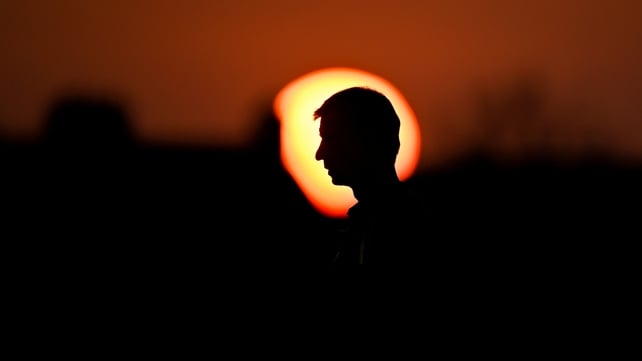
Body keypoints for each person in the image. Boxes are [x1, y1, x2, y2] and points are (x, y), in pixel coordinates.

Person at [313, 86, 427, 269]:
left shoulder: (399, 228)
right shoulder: (366, 224)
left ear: (364, 141)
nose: (319, 154)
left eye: (330, 139)